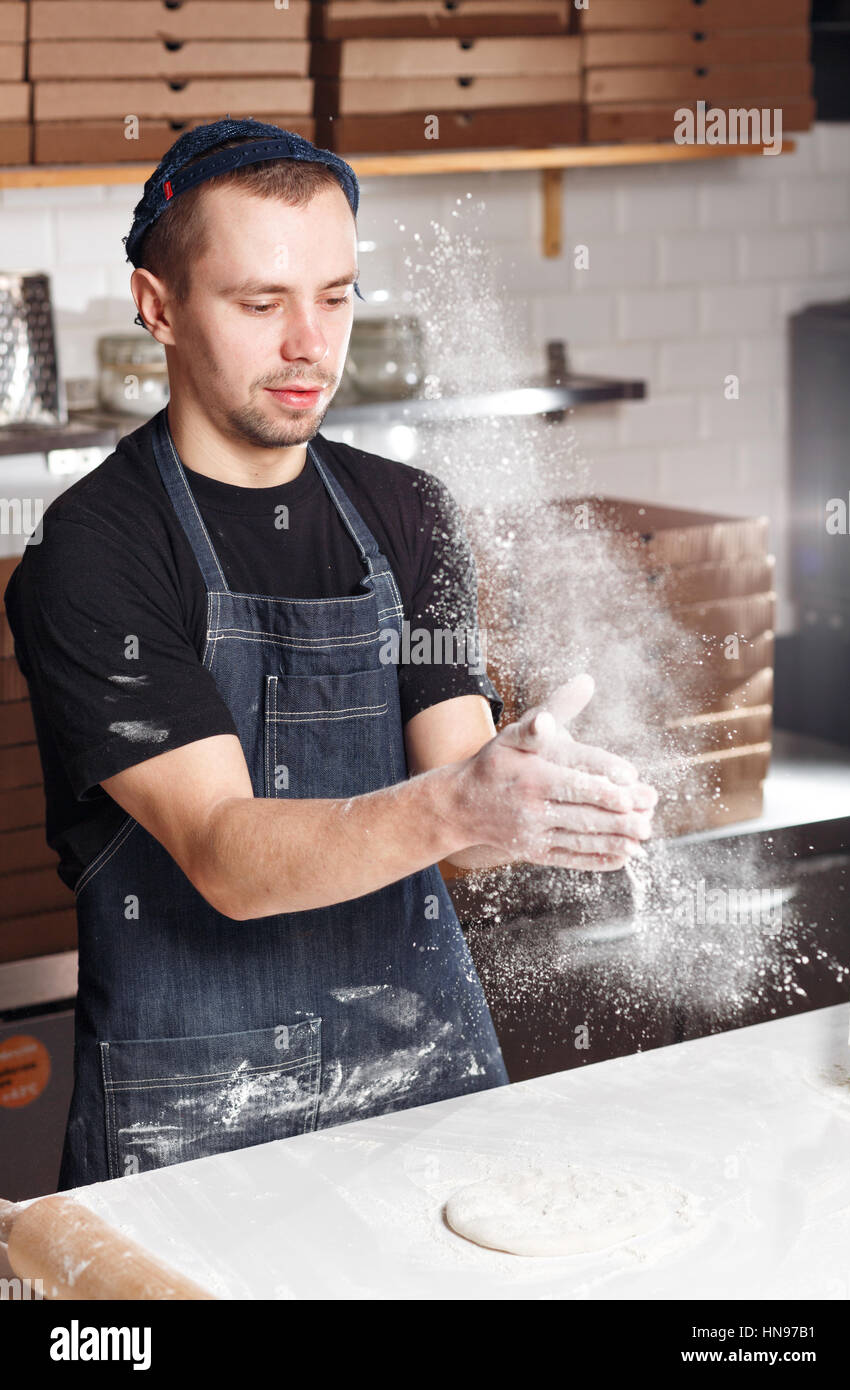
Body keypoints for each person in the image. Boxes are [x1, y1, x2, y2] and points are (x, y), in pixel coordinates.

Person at [4, 119, 657, 1190]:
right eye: (260, 304)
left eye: (337, 295)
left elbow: (462, 828)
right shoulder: (96, 548)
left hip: (423, 1082)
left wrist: (522, 796)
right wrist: (460, 803)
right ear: (156, 307)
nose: (310, 342)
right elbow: (225, 854)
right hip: (196, 1121)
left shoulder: (410, 512)